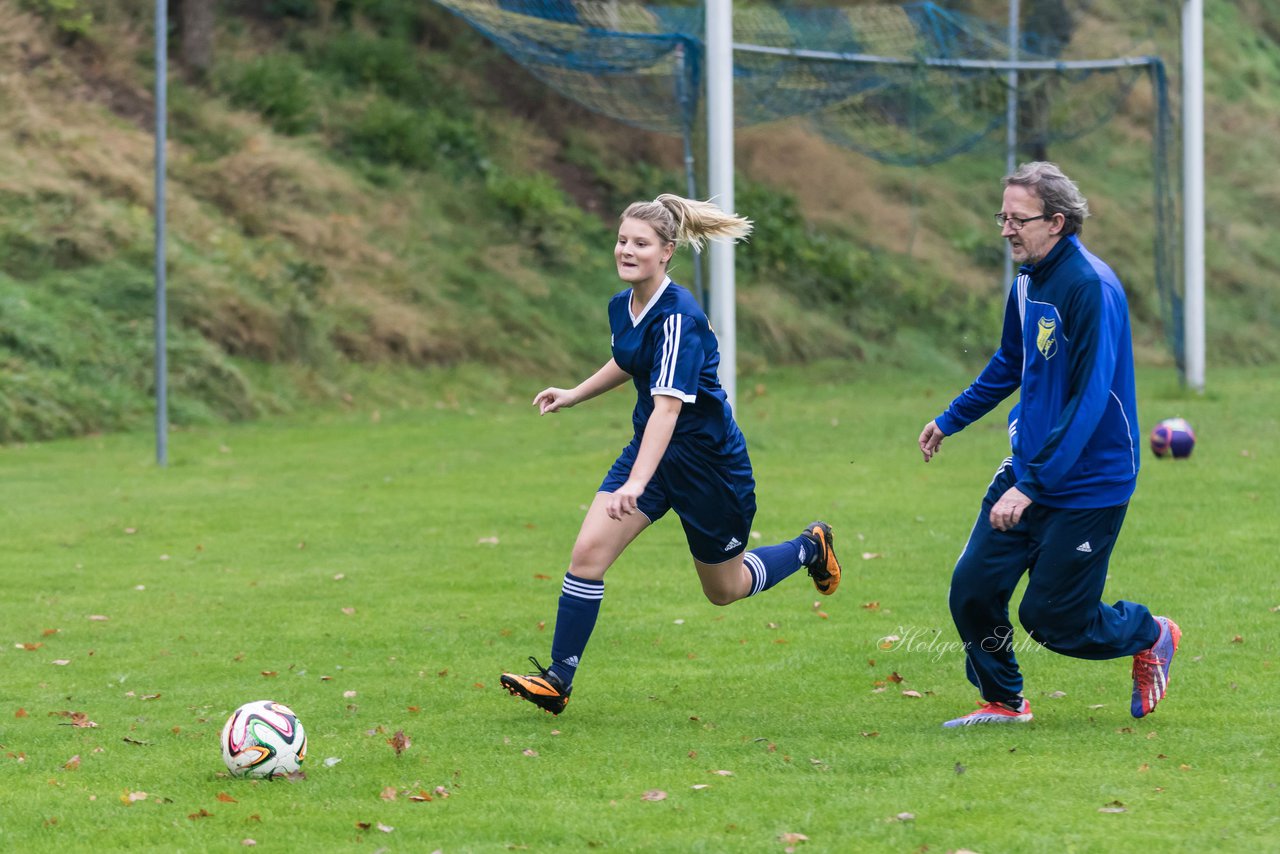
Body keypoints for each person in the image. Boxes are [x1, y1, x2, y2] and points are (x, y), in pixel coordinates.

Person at [500, 193, 842, 715]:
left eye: (640, 243)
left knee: (724, 590)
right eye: (621, 240)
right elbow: (629, 360)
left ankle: (809, 547)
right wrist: (574, 393)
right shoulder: (623, 305)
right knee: (587, 555)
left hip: (709, 468)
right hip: (650, 455)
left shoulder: (680, 316)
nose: (626, 250)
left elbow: (666, 410)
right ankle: (558, 679)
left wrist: (636, 484)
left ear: (667, 252)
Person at [917, 162, 1180, 728]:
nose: (1006, 229)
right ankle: (1004, 702)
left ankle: (1151, 633)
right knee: (972, 591)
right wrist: (952, 418)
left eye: (1019, 218)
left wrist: (1032, 487)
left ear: (1057, 221)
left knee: (1054, 620)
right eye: (1002, 217)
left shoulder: (1090, 288)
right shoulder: (1028, 280)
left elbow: (1088, 399)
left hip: (1089, 480)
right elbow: (1012, 361)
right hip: (1031, 466)